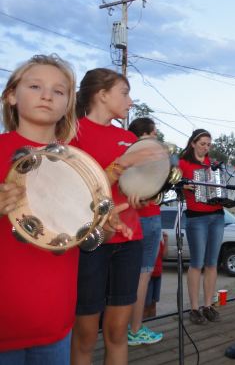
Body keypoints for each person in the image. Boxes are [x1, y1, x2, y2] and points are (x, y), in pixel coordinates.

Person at [0, 55, 128, 364]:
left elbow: (77, 229)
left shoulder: (78, 163)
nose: (47, 95)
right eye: (35, 86)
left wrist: (102, 225)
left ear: (69, 102)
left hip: (56, 322)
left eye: (59, 91)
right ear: (12, 96)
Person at [70, 68, 157, 364]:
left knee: (118, 332)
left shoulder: (127, 136)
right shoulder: (72, 133)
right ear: (102, 94)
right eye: (125, 92)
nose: (130, 101)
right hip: (89, 243)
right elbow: (73, 192)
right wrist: (122, 164)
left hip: (129, 239)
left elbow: (137, 189)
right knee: (84, 333)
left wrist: (143, 196)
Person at [178, 129, 225, 324]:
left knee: (212, 262)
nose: (206, 147)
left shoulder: (213, 164)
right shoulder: (182, 163)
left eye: (208, 144)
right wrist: (182, 185)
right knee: (197, 262)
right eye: (203, 143)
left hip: (217, 215)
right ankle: (194, 308)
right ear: (193, 143)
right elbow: (171, 184)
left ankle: (208, 305)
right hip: (196, 217)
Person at [126, 117, 164, 345]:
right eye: (153, 134)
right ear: (144, 136)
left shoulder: (129, 157)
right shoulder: (143, 158)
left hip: (145, 217)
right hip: (147, 218)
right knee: (142, 276)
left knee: (137, 277)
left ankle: (129, 328)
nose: (156, 138)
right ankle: (135, 329)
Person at [144, 232, 168, 319]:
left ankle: (153, 323)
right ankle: (144, 325)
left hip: (158, 275)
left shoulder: (158, 242)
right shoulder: (146, 242)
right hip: (148, 276)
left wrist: (166, 241)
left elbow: (164, 255)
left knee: (154, 303)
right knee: (146, 304)